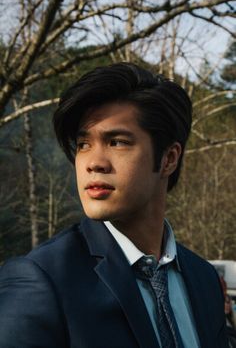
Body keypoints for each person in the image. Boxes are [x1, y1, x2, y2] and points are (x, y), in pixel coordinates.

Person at [0, 63, 228, 347]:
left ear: (169, 158)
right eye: (83, 144)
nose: (94, 162)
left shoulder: (204, 279)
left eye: (117, 142)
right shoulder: (42, 280)